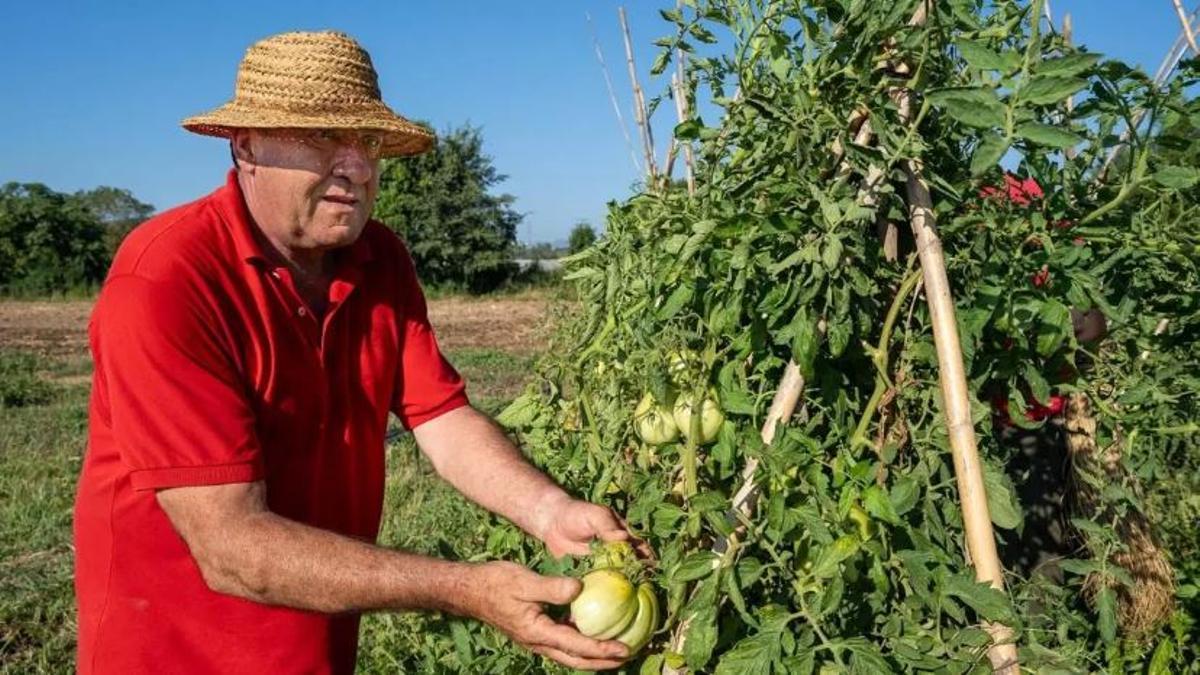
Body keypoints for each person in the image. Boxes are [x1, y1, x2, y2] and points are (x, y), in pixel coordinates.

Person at [73, 30, 633, 674]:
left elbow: (442, 419)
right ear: (246, 145)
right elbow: (232, 547)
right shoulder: (168, 278)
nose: (358, 166)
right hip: (174, 652)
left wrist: (549, 510)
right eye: (322, 137)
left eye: (366, 141)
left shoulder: (381, 259)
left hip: (316, 641)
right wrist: (467, 589)